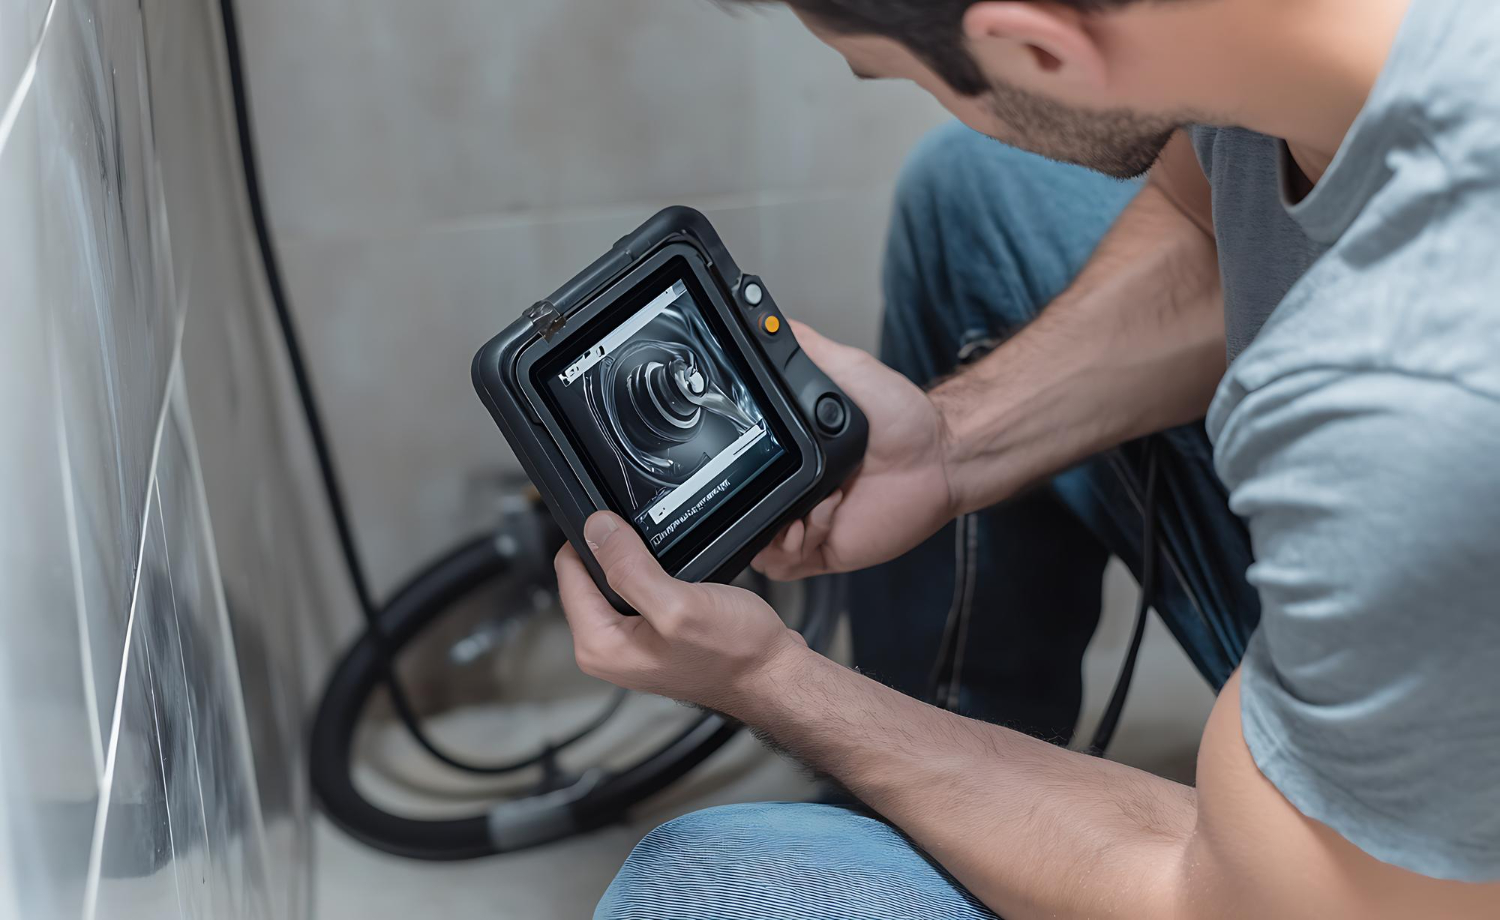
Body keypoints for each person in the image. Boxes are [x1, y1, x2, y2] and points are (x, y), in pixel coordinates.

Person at [557, 1, 1500, 916]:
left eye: (899, 75)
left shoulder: (1411, 398)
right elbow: (1214, 229)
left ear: (1037, 49)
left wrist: (774, 680)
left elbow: (1223, 901)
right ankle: (938, 803)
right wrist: (953, 448)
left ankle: (931, 823)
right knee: (971, 186)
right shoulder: (1291, 55)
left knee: (698, 887)